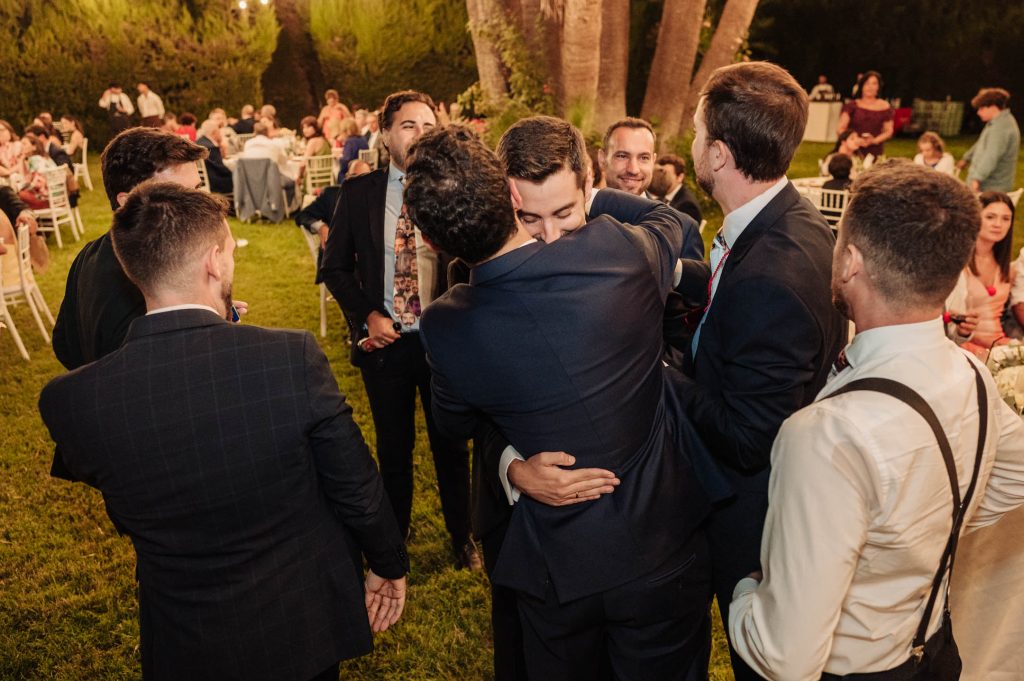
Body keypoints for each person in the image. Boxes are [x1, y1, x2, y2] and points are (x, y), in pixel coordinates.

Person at [40, 181, 408, 681]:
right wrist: (387, 562)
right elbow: (356, 485)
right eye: (231, 250)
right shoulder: (288, 358)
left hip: (183, 635)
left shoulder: (71, 400)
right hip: (300, 619)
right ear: (214, 261)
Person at [407, 123, 711, 681]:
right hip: (648, 556)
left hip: (566, 569)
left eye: (567, 213)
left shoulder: (444, 324)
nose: (550, 235)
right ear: (511, 197)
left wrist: (510, 458)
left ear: (430, 240)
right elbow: (669, 220)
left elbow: (454, 422)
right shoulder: (618, 248)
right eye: (531, 217)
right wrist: (513, 470)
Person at [729, 159, 1024, 679]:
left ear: (851, 262)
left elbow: (787, 657)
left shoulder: (825, 436)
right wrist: (923, 526)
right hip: (933, 653)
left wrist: (744, 591)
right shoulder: (971, 376)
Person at [678, 61, 848, 681]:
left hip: (752, 517)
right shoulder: (790, 218)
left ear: (719, 154)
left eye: (697, 133)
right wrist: (678, 278)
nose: (691, 143)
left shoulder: (772, 276)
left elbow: (749, 435)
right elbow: (738, 311)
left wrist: (658, 370)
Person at [319, 90, 477, 570]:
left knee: (450, 443)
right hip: (386, 343)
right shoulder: (360, 193)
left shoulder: (453, 191)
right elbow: (336, 267)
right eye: (408, 125)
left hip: (442, 343)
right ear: (386, 134)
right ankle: (396, 533)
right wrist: (368, 314)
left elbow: (473, 265)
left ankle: (462, 536)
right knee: (393, 446)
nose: (419, 134)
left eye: (429, 125)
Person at [52, 128, 210, 371]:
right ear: (127, 202)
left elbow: (64, 344)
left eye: (197, 190)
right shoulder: (148, 279)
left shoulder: (89, 253)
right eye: (178, 195)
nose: (199, 205)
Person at [598, 117, 704, 259]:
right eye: (622, 156)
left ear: (654, 161)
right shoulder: (574, 218)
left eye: (644, 158)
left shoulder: (684, 229)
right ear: (602, 159)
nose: (633, 169)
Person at [945, 191, 1017, 359]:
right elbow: (951, 321)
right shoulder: (959, 263)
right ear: (975, 218)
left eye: (1006, 218)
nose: (998, 224)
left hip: (1000, 345)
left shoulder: (1006, 265)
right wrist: (1001, 345)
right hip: (965, 346)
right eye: (990, 217)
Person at [957, 88, 1020, 192]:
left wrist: (977, 178)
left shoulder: (1001, 128)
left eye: (981, 108)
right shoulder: (995, 123)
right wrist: (966, 158)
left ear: (993, 107)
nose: (978, 112)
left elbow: (991, 156)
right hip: (986, 185)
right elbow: (981, 143)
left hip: (991, 188)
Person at [837, 70, 894, 159]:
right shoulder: (851, 106)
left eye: (874, 84)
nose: (870, 87)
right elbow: (841, 128)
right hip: (852, 150)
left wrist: (874, 141)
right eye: (867, 83)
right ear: (862, 86)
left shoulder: (885, 107)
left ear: (878, 87)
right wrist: (854, 141)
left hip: (875, 151)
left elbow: (888, 131)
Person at [654, 153, 703, 224]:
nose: (661, 178)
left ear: (679, 177)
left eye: (665, 174)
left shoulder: (687, 206)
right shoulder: (661, 197)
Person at [195, 120, 233, 195]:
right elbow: (222, 169)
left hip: (202, 181)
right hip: (215, 183)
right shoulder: (211, 147)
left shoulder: (198, 143)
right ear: (214, 132)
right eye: (219, 131)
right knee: (241, 177)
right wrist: (234, 171)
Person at [336, 117, 369, 182]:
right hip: (365, 170)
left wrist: (339, 158)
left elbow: (346, 162)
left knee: (339, 172)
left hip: (353, 173)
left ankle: (340, 190)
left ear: (345, 131)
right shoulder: (363, 139)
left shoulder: (350, 142)